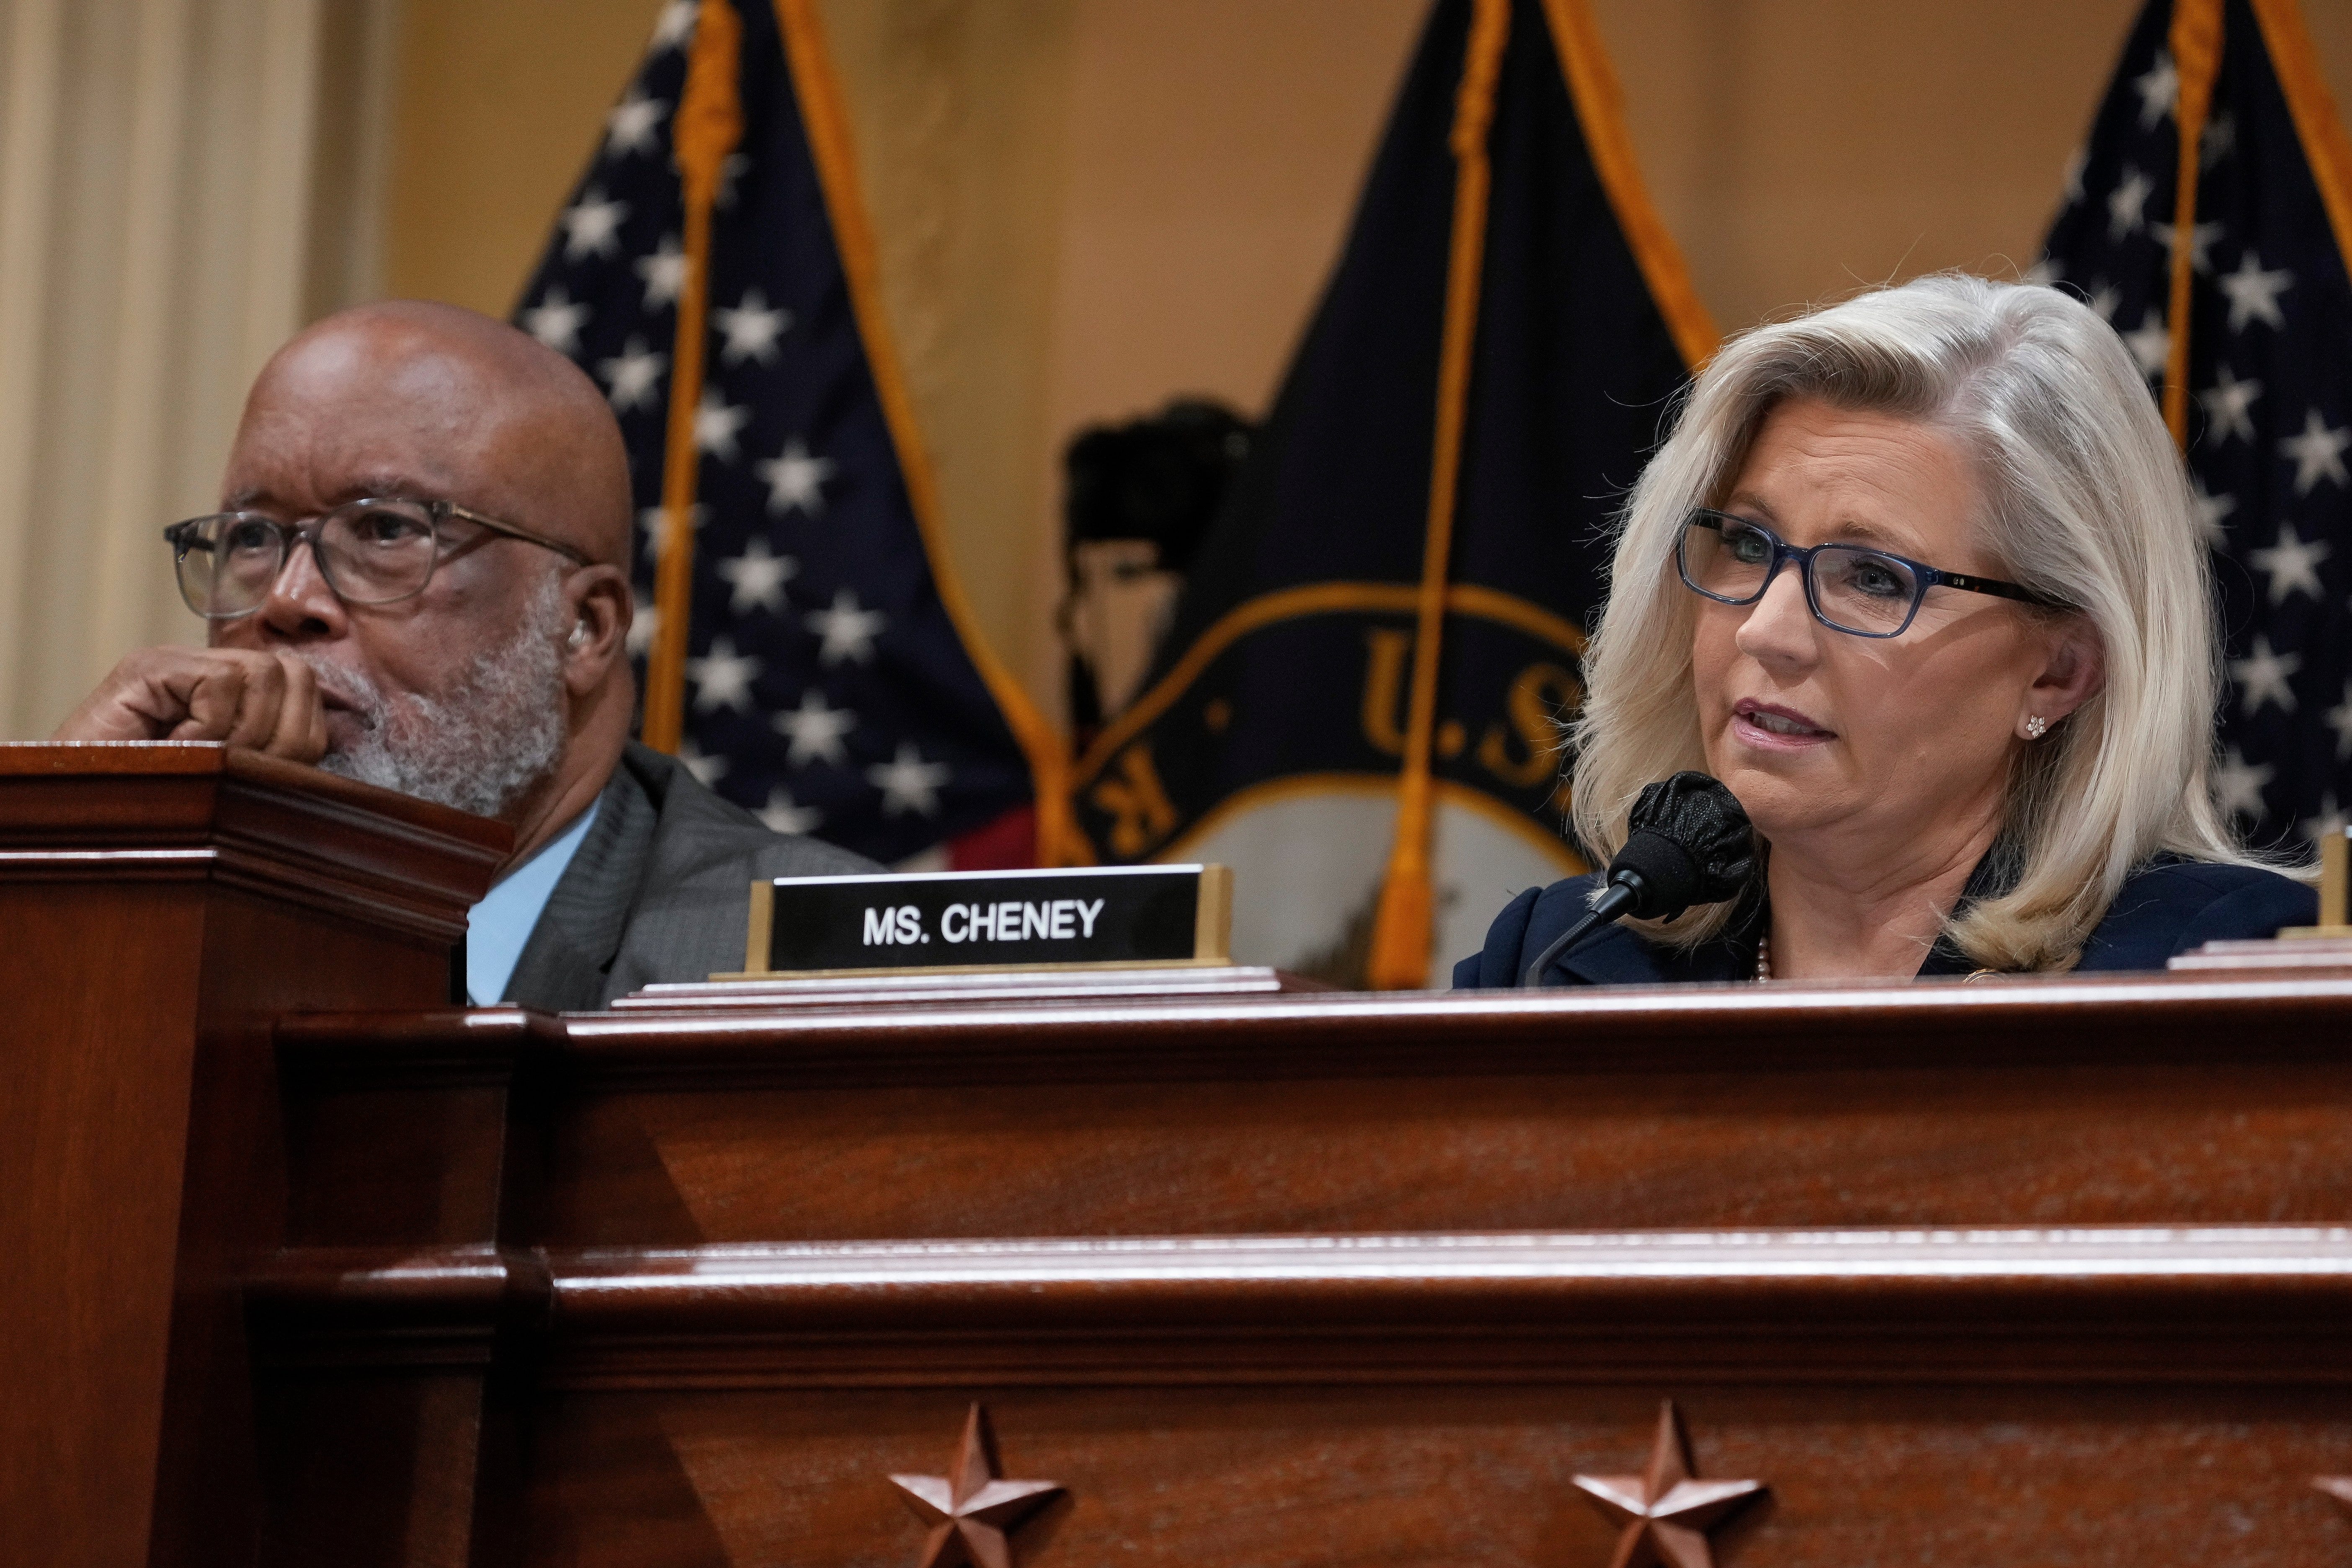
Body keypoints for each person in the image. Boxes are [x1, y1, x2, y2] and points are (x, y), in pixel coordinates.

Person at [1456, 273, 2315, 988]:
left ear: (2059, 672)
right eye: (1750, 545)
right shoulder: (1556, 960)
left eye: (1874, 578)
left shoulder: (2205, 976)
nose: (1769, 631)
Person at [52, 300, 872, 1008]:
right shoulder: (150, 908)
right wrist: (54, 851)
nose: (287, 601)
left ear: (583, 627)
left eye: (386, 531)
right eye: (253, 539)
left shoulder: (808, 961)